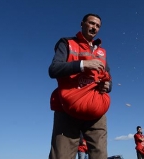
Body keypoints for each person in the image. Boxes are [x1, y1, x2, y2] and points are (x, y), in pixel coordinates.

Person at [48, 13, 112, 159]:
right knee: (61, 155)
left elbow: (109, 79)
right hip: (67, 110)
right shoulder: (67, 43)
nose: (94, 27)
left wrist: (107, 86)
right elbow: (53, 70)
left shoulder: (102, 52)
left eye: (97, 26)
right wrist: (83, 65)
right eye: (91, 23)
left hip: (96, 112)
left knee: (100, 154)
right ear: (82, 24)